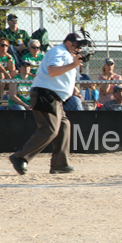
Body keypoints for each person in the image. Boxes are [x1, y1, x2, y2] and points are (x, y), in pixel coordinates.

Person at [9, 33, 83, 175]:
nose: (78, 48)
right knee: (49, 129)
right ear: (68, 43)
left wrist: (74, 64)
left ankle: (59, 164)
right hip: (46, 94)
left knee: (64, 126)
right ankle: (19, 157)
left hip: (55, 97)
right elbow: (52, 71)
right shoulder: (59, 51)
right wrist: (73, 64)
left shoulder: (66, 54)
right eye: (76, 45)